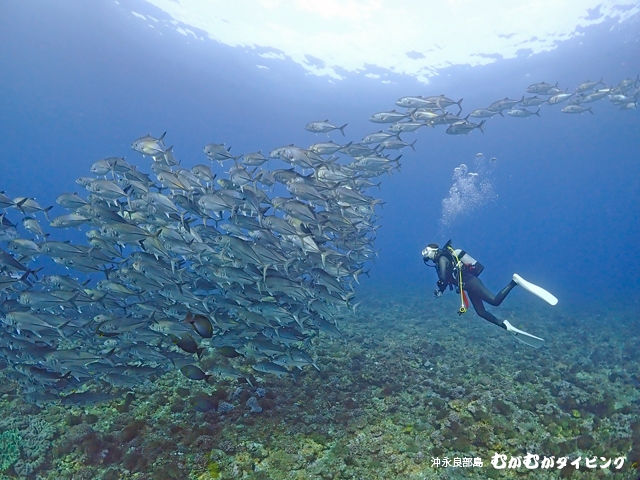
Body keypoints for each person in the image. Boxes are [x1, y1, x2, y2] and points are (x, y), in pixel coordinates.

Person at [422, 240, 557, 348]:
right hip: (468, 287)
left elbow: (444, 278)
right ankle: (505, 326)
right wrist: (441, 290)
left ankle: (513, 282)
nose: (425, 255)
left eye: (426, 251)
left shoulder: (442, 259)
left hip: (471, 282)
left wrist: (441, 285)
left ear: (433, 250)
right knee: (481, 312)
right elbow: (446, 279)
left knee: (494, 301)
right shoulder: (439, 263)